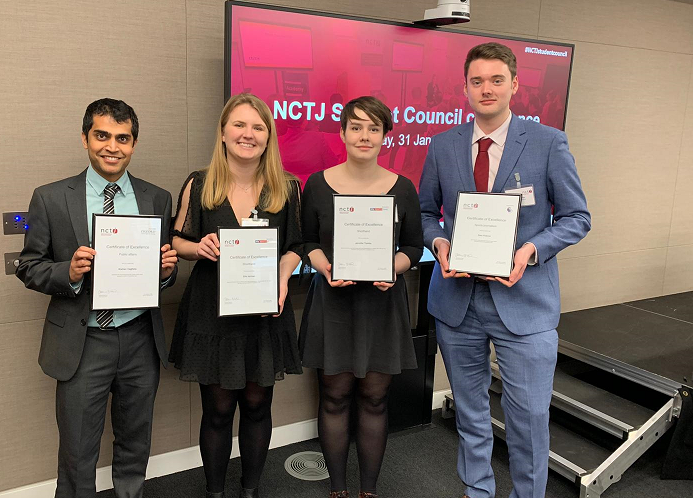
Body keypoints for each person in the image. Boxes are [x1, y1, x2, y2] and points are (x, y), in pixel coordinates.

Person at [419, 42, 591, 498]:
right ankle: (479, 491)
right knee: (471, 413)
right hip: (457, 304)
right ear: (465, 88)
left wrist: (531, 249)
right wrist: (439, 242)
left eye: (497, 80)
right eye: (477, 81)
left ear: (515, 85)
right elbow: (425, 213)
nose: (487, 89)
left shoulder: (548, 142)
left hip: (526, 302)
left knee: (529, 418)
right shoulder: (442, 145)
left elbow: (577, 218)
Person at [17, 98, 178, 498]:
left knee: (135, 443)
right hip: (83, 340)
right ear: (85, 138)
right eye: (102, 135)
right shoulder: (51, 197)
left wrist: (166, 273)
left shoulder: (156, 198)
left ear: (134, 143)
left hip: (139, 337)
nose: (112, 146)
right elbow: (28, 265)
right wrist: (66, 272)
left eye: (122, 138)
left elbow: (159, 271)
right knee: (77, 451)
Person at [169, 93, 303, 498]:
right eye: (239, 125)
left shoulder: (287, 186)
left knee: (259, 407)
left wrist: (283, 278)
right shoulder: (199, 182)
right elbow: (177, 241)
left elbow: (295, 245)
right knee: (218, 411)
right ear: (223, 132)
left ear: (269, 136)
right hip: (213, 314)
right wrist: (200, 247)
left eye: (258, 127)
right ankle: (215, 492)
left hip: (265, 315)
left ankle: (250, 490)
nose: (248, 134)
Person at [299, 96, 424, 498]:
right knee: (333, 398)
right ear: (342, 133)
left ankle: (368, 491)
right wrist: (325, 267)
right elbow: (307, 241)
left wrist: (395, 268)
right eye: (356, 127)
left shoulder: (402, 188)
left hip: (382, 306)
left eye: (373, 128)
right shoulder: (317, 184)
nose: (364, 136)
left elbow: (413, 247)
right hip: (333, 302)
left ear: (385, 135)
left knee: (374, 399)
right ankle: (337, 489)